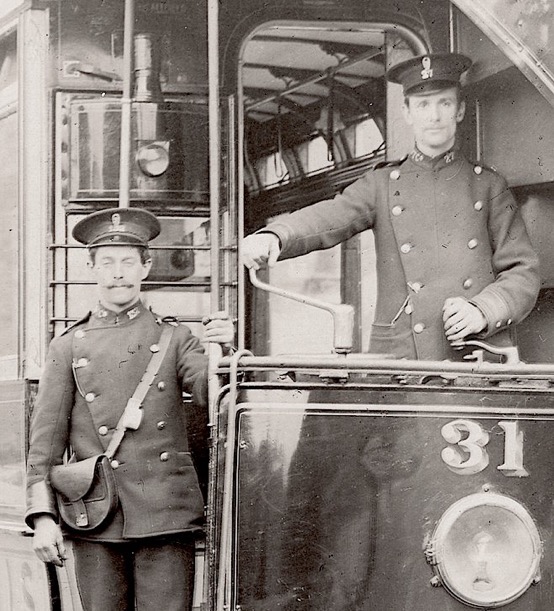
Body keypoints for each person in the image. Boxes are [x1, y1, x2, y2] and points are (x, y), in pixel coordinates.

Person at [242, 53, 540, 361]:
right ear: (407, 113)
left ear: (460, 110)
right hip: (403, 359)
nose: (434, 116)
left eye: (444, 103)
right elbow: (330, 216)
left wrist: (482, 310)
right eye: (423, 105)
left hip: (475, 353)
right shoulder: (382, 183)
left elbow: (523, 272)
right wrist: (276, 235)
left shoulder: (489, 186)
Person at [25, 207, 234, 611]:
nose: (118, 273)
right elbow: (44, 444)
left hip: (166, 514)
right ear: (92, 268)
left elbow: (215, 396)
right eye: (107, 263)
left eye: (127, 262)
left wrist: (221, 352)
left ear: (146, 266)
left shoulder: (175, 338)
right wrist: (43, 518)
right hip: (96, 514)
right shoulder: (67, 346)